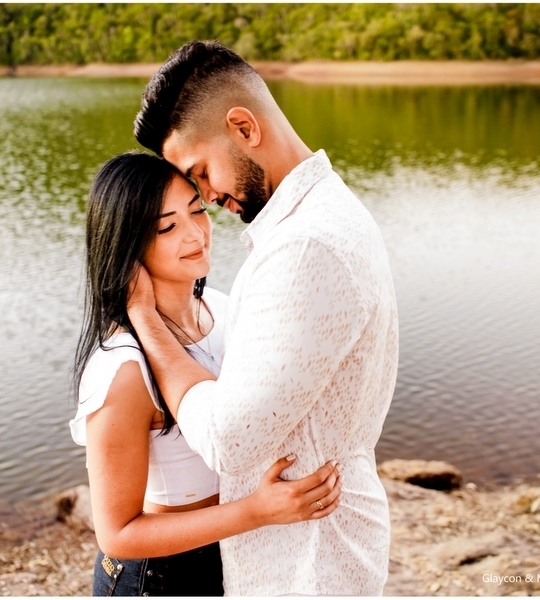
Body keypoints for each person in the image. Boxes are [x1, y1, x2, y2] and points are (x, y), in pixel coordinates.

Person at [126, 41, 400, 595]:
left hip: (307, 564)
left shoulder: (305, 246)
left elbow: (230, 440)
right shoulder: (324, 214)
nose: (203, 196)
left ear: (245, 128)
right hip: (320, 545)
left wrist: (147, 322)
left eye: (200, 172)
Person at [70, 151, 342, 597]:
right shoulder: (121, 369)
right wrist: (256, 511)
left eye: (197, 210)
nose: (195, 233)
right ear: (127, 246)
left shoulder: (220, 307)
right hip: (158, 576)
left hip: (231, 552)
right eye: (167, 226)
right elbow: (117, 534)